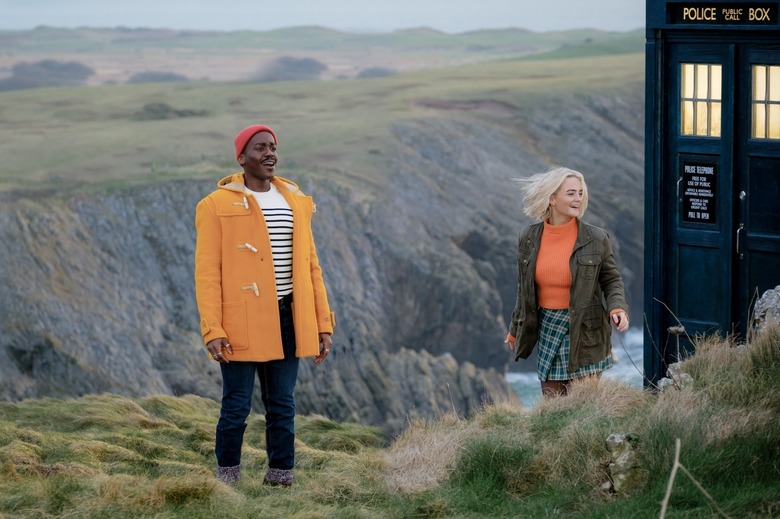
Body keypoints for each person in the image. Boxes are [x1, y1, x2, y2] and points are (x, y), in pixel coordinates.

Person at [194, 124, 336, 486]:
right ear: (241, 158)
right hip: (240, 323)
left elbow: (311, 266)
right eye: (260, 148)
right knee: (237, 406)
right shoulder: (214, 206)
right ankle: (227, 480)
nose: (270, 153)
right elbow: (207, 273)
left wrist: (323, 323)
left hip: (289, 317)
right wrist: (213, 328)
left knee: (283, 406)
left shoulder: (295, 201)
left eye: (272, 147)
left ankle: (280, 478)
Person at [504, 166, 629, 398]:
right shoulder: (528, 238)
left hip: (586, 329)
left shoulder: (596, 238)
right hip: (548, 326)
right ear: (552, 198)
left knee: (583, 403)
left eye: (580, 193)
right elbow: (525, 292)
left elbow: (611, 280)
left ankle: (587, 436)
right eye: (571, 193)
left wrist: (617, 307)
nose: (578, 199)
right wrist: (515, 330)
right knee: (552, 404)